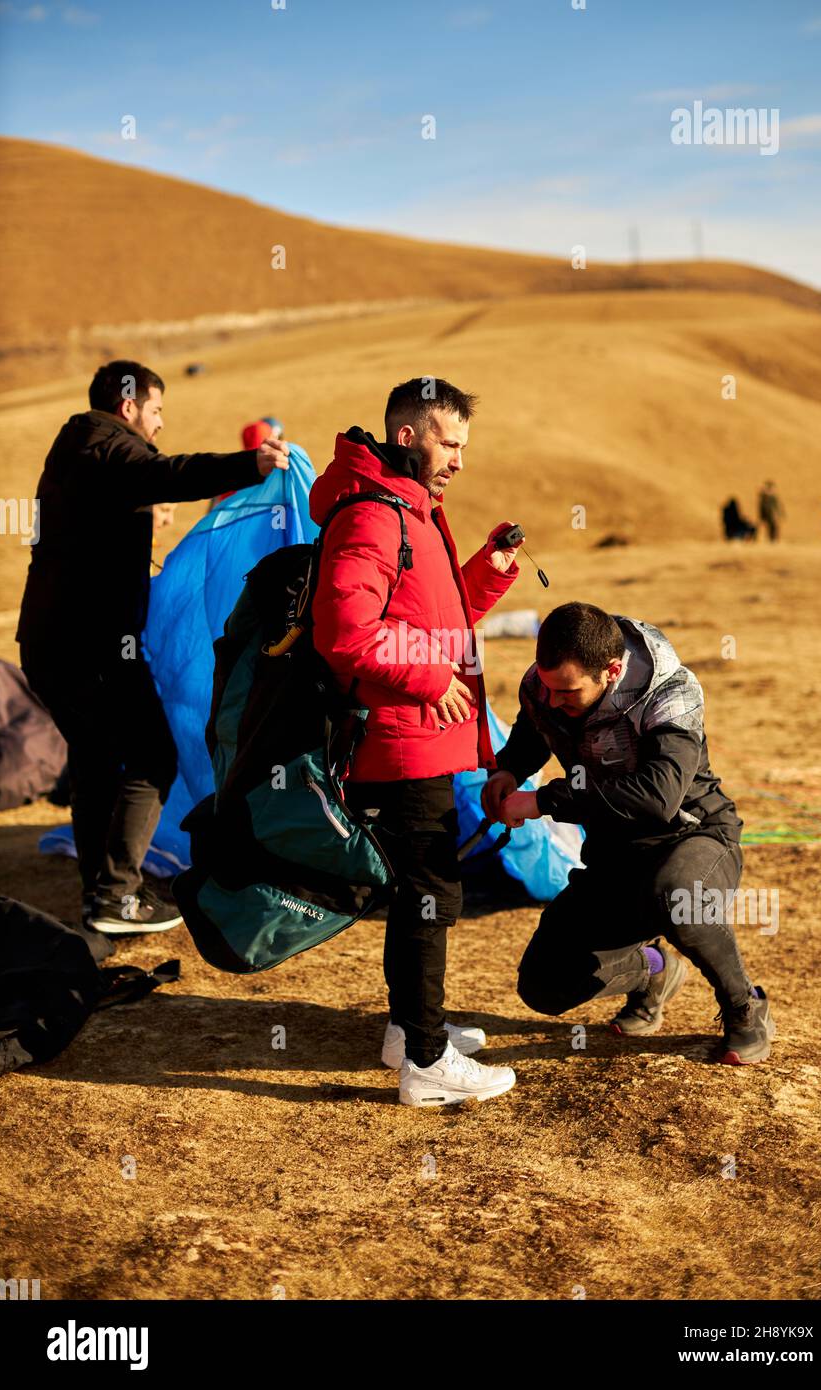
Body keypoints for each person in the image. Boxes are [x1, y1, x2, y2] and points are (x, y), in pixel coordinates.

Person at [16, 360, 290, 934]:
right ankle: (118, 893)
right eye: (158, 409)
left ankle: (102, 897)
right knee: (149, 756)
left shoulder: (83, 453)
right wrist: (252, 464)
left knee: (93, 765)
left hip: (54, 644)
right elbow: (164, 472)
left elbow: (125, 498)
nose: (161, 423)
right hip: (89, 648)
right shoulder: (99, 445)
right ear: (128, 405)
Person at [309, 378, 522, 1106]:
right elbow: (344, 634)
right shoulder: (373, 515)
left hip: (417, 735)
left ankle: (408, 1030)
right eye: (449, 441)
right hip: (399, 740)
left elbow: (425, 615)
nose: (460, 458)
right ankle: (427, 1063)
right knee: (431, 893)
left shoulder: (412, 510)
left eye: (465, 444)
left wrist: (484, 580)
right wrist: (432, 680)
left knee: (418, 894)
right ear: (408, 436)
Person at [482, 602, 776, 1065]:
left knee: (676, 895)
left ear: (612, 671)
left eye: (568, 691)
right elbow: (536, 728)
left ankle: (745, 1006)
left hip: (693, 839)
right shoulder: (547, 685)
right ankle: (653, 972)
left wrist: (543, 801)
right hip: (614, 855)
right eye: (547, 687)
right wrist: (509, 771)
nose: (554, 699)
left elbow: (658, 799)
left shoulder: (670, 693)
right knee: (543, 984)